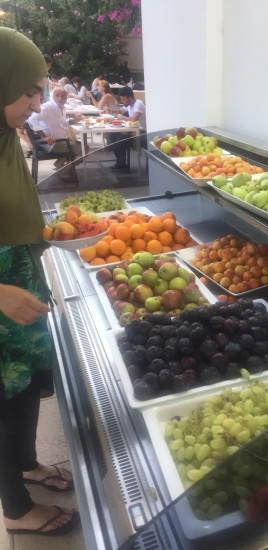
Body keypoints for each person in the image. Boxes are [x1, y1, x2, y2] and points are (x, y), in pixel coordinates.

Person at [0, 27, 79, 536]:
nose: (37, 102)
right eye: (28, 90)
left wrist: (51, 230)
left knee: (26, 388)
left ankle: (26, 464)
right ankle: (15, 510)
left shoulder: (6, 136)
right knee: (3, 401)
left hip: (19, 285)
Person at [28, 86, 85, 170]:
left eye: (63, 96)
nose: (60, 98)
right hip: (53, 144)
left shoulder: (61, 107)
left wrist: (74, 120)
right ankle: (65, 171)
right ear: (52, 96)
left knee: (77, 145)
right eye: (57, 95)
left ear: (66, 97)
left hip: (60, 141)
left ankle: (60, 164)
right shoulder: (47, 107)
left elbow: (63, 123)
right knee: (84, 149)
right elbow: (32, 118)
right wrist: (44, 137)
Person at [108, 86, 146, 169]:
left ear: (130, 98)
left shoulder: (138, 104)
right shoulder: (128, 105)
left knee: (120, 139)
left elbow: (134, 119)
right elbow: (120, 111)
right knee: (112, 135)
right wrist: (112, 111)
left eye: (123, 99)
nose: (122, 101)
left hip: (141, 132)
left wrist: (122, 117)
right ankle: (119, 160)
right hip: (132, 131)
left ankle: (121, 163)